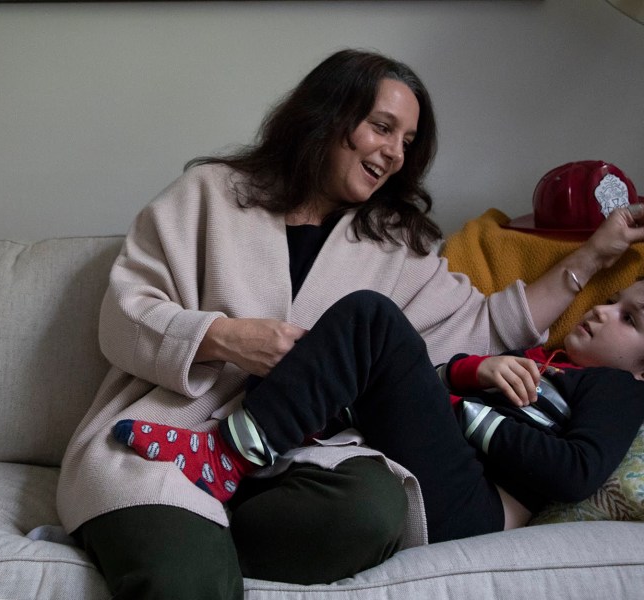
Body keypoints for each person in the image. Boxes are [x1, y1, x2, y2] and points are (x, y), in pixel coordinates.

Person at [55, 48, 644, 600]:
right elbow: (125, 315)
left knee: (371, 508)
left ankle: (220, 500)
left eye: (407, 142)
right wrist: (225, 337)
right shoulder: (210, 193)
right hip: (168, 436)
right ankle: (183, 529)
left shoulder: (397, 246)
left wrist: (592, 256)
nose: (394, 154)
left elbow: (489, 326)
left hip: (305, 458)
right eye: (382, 128)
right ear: (325, 116)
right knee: (183, 578)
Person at [115, 279, 644, 545]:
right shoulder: (542, 359)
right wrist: (469, 372)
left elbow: (575, 472)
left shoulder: (619, 388)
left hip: (476, 509)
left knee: (371, 320)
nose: (602, 310)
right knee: (311, 366)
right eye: (614, 299)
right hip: (453, 469)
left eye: (630, 318)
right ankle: (225, 484)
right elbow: (429, 393)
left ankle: (228, 456)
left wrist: (459, 410)